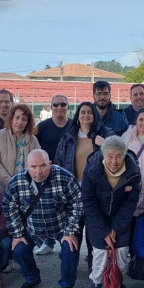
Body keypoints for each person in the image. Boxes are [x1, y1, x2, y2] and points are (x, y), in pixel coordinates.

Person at [1, 149, 83, 288]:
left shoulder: (65, 177)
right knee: (19, 249)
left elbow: (77, 204)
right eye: (33, 167)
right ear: (27, 165)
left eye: (43, 166)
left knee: (70, 249)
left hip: (60, 225)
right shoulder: (16, 181)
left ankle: (67, 284)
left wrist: (70, 231)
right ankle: (32, 278)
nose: (38, 171)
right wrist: (18, 234)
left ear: (50, 164)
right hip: (32, 226)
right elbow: (8, 206)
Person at [82, 136, 140, 288]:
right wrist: (104, 231)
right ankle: (97, 284)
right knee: (100, 252)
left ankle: (117, 283)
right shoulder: (91, 169)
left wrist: (115, 228)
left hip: (120, 217)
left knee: (121, 251)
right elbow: (88, 201)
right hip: (97, 216)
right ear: (103, 155)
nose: (114, 161)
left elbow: (130, 204)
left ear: (124, 155)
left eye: (119, 156)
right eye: (110, 156)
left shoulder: (134, 172)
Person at [54, 102, 114, 265]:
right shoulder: (68, 136)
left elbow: (118, 153)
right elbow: (58, 163)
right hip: (73, 190)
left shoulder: (105, 134)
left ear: (94, 115)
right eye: (83, 112)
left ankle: (93, 263)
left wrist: (105, 144)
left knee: (94, 228)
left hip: (96, 189)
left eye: (89, 112)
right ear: (78, 116)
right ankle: (71, 262)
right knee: (74, 228)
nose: (86, 115)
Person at [0, 103, 40, 194]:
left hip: (27, 190)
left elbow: (38, 163)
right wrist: (11, 183)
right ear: (11, 118)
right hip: (2, 190)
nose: (20, 122)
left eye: (24, 119)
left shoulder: (33, 140)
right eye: (17, 117)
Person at [36, 94, 73, 162]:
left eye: (63, 104)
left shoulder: (75, 126)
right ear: (51, 107)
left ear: (68, 107)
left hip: (70, 169)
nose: (59, 107)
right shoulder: (41, 127)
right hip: (48, 169)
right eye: (55, 104)